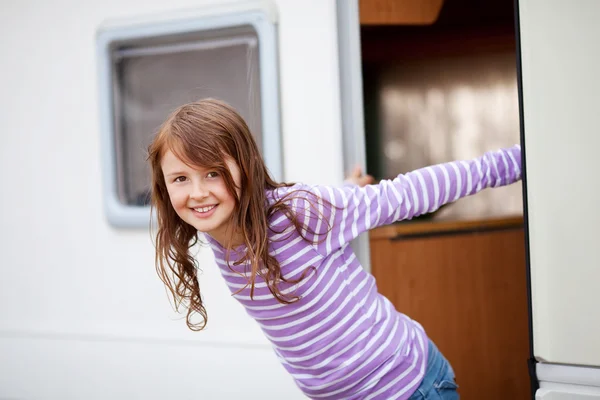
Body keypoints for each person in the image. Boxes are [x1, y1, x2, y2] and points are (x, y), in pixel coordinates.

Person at [147, 98, 522, 400]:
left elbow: (405, 194)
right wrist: (348, 186)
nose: (197, 192)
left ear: (246, 167)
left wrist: (512, 163)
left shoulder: (297, 212)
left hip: (409, 387)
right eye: (181, 178)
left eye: (213, 172)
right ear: (165, 187)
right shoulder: (214, 229)